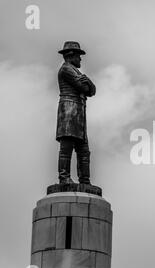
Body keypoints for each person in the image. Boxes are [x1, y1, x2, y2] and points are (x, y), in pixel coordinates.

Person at [56, 41, 96, 184]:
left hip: (78, 114)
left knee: (84, 150)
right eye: (78, 55)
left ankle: (85, 180)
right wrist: (88, 85)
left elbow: (91, 91)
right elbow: (83, 88)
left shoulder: (74, 70)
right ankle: (64, 177)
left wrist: (89, 83)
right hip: (68, 112)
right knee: (66, 148)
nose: (80, 59)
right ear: (71, 55)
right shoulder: (66, 69)